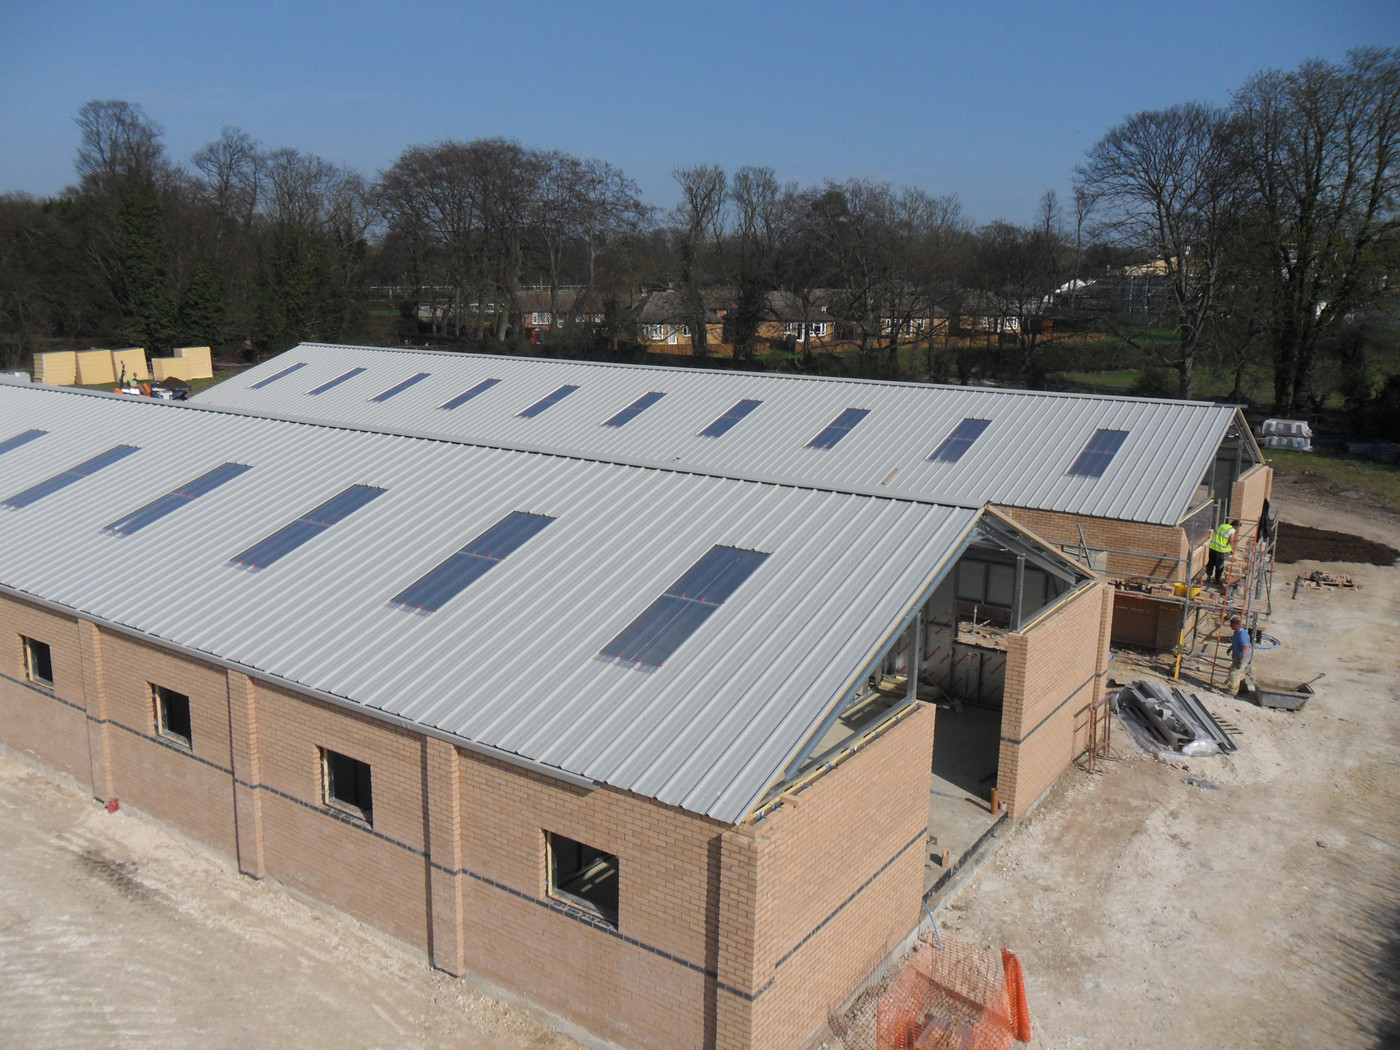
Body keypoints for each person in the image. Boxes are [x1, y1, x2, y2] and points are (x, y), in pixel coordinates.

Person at [1225, 616, 1253, 695]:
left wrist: (1241, 661)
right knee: (1239, 673)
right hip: (1237, 657)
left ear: (1235, 625)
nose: (1230, 627)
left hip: (1242, 658)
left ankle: (1232, 692)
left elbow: (1245, 648)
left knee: (1234, 674)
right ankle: (1243, 688)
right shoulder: (1236, 632)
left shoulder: (1242, 635)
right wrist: (1231, 648)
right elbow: (1235, 641)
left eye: (1231, 625)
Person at [1207, 519, 1240, 586]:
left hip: (1213, 547)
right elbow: (1231, 541)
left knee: (1211, 562)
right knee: (1219, 565)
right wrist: (1232, 547)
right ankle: (1217, 579)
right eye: (1237, 528)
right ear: (1235, 526)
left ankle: (1209, 576)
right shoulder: (1231, 530)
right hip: (1221, 549)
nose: (1237, 530)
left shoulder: (1222, 526)